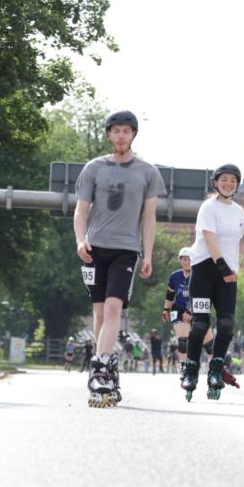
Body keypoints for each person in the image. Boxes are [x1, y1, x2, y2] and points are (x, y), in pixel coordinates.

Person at [74, 110, 166, 405]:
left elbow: (149, 217)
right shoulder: (94, 168)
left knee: (114, 308)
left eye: (126, 131)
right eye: (116, 131)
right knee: (100, 312)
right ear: (109, 134)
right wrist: (80, 241)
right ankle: (108, 365)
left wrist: (148, 254)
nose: (121, 135)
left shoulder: (147, 172)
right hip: (94, 249)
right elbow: (81, 210)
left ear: (133, 135)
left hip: (126, 249)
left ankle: (99, 368)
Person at [181, 164, 244, 399]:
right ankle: (190, 371)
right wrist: (223, 268)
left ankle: (216, 370)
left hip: (228, 273)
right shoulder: (208, 207)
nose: (228, 184)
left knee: (226, 323)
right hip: (204, 270)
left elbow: (233, 244)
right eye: (224, 179)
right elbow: (210, 240)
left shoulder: (239, 211)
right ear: (216, 183)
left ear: (237, 185)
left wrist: (232, 269)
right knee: (200, 324)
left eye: (233, 180)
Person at [161, 246, 214, 375]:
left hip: (197, 308)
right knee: (182, 341)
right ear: (180, 260)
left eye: (189, 259)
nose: (187, 262)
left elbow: (205, 296)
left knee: (209, 345)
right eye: (184, 259)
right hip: (179, 309)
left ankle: (214, 367)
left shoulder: (200, 274)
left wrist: (190, 311)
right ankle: (184, 367)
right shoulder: (175, 276)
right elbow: (170, 294)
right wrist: (166, 309)